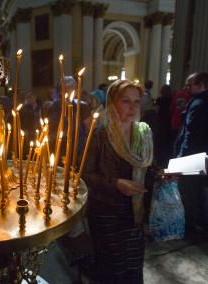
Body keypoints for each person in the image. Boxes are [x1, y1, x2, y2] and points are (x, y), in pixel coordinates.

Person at [83, 79, 154, 283]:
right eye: (126, 101)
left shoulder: (143, 133)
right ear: (112, 103)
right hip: (106, 212)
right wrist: (115, 183)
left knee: (133, 266)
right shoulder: (99, 134)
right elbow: (84, 175)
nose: (133, 107)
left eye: (137, 101)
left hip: (134, 212)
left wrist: (161, 175)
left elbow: (147, 167)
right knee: (112, 269)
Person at [173, 72, 208, 229]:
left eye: (189, 84)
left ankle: (188, 224)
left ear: (200, 85)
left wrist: (180, 159)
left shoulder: (198, 104)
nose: (186, 87)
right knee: (198, 188)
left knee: (187, 190)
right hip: (205, 153)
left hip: (193, 155)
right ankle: (206, 221)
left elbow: (191, 134)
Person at [155, 85, 173, 167]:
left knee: (160, 142)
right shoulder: (172, 100)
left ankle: (160, 161)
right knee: (167, 143)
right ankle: (166, 161)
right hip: (168, 123)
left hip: (161, 122)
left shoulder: (159, 100)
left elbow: (156, 110)